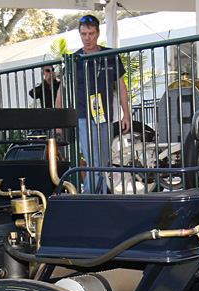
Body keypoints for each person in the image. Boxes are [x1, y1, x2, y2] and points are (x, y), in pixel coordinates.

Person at [54, 15, 131, 194]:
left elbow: (121, 86)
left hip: (105, 116)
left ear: (97, 33)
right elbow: (62, 90)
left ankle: (99, 197)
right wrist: (58, 121)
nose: (87, 38)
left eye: (90, 34)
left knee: (104, 162)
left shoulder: (110, 55)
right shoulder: (74, 60)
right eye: (83, 34)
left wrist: (125, 113)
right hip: (83, 117)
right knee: (94, 162)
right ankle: (88, 198)